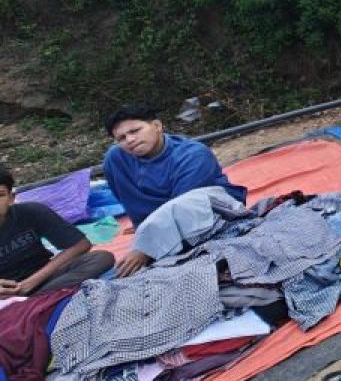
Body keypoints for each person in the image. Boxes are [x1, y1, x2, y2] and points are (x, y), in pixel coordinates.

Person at [103, 103, 247, 277]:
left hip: (203, 215)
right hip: (157, 224)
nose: (130, 140)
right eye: (121, 138)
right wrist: (143, 230)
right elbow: (124, 196)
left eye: (135, 131)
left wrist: (146, 248)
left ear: (157, 126)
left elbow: (184, 208)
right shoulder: (116, 158)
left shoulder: (193, 155)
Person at [0, 165, 114, 297]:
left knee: (101, 258)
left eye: (0, 195)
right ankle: (40, 300)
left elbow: (81, 244)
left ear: (11, 198)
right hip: (4, 293)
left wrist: (30, 282)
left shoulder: (31, 212)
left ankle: (35, 300)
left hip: (45, 277)